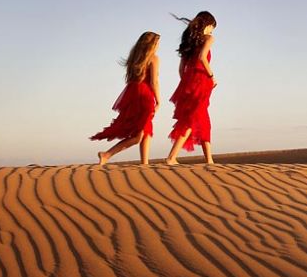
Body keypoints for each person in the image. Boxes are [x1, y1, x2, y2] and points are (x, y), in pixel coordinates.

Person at [91, 32, 161, 165]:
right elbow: (154, 82)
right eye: (157, 43)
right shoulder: (154, 58)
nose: (158, 47)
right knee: (137, 137)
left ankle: (144, 163)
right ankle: (107, 154)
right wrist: (158, 100)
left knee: (145, 130)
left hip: (134, 94)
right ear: (151, 45)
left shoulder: (135, 59)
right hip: (145, 96)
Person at [166, 11, 217, 165]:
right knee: (193, 120)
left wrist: (187, 82)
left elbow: (181, 69)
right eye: (212, 27)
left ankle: (209, 160)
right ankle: (171, 157)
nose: (212, 31)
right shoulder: (208, 39)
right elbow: (202, 57)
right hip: (201, 82)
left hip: (189, 82)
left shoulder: (189, 42)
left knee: (201, 119)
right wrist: (211, 76)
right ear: (207, 25)